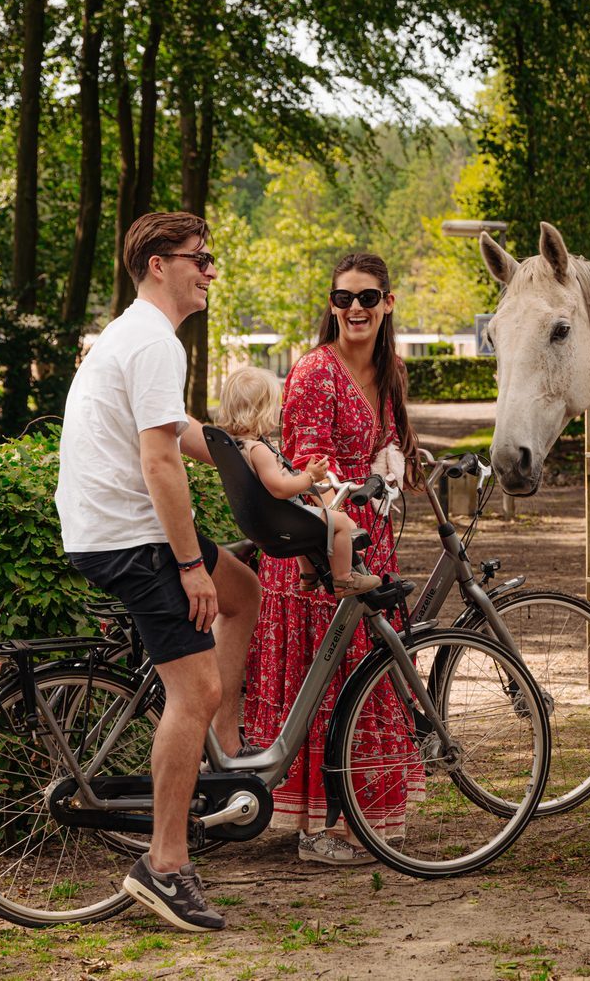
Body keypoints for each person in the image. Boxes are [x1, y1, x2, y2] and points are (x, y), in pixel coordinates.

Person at [55, 211, 261, 932]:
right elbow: (158, 459)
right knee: (195, 684)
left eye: (210, 258)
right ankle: (165, 864)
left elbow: (183, 432)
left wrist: (257, 460)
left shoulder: (139, 336)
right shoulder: (153, 342)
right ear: (156, 266)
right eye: (198, 259)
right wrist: (186, 565)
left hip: (116, 528)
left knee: (245, 590)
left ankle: (224, 752)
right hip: (131, 539)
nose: (209, 270)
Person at [243, 252, 422, 865]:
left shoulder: (391, 369)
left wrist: (390, 463)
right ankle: (326, 826)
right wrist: (345, 504)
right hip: (320, 545)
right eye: (342, 298)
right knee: (329, 682)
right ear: (331, 305)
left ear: (388, 303)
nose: (354, 309)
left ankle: (360, 814)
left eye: (367, 297)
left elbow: (389, 439)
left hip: (370, 534)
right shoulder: (315, 371)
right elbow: (307, 461)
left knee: (366, 675)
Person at [216, 366, 382, 596]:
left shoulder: (239, 445)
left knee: (307, 532)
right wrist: (310, 477)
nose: (280, 410)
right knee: (341, 522)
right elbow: (280, 488)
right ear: (262, 411)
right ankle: (344, 579)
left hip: (271, 519)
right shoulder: (258, 450)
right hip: (283, 518)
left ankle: (308, 576)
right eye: (276, 406)